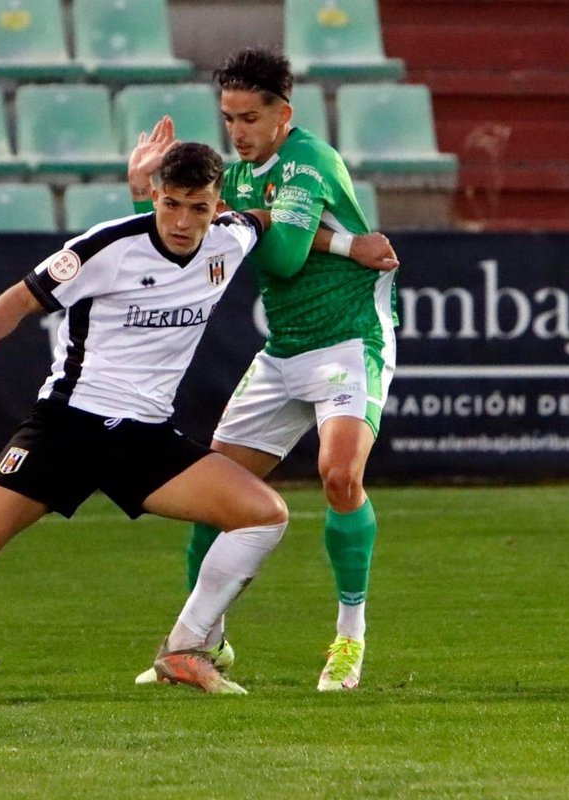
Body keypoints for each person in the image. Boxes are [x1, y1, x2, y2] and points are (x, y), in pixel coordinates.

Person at [0, 143, 289, 702]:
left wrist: (345, 237)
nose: (184, 221)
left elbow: (271, 215)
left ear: (217, 205)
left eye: (199, 208)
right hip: (69, 424)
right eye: (173, 204)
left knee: (263, 515)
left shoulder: (229, 242)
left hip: (145, 436)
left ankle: (182, 648)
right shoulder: (108, 246)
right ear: (155, 196)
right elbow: (20, 297)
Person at [128, 48, 400, 692]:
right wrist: (143, 191)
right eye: (228, 118)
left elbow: (278, 260)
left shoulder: (309, 162)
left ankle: (348, 641)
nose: (238, 132)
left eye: (250, 117)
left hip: (345, 341)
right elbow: (180, 244)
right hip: (282, 351)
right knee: (213, 497)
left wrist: (279, 227)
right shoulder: (236, 175)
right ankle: (201, 643)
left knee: (339, 477)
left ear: (284, 114)